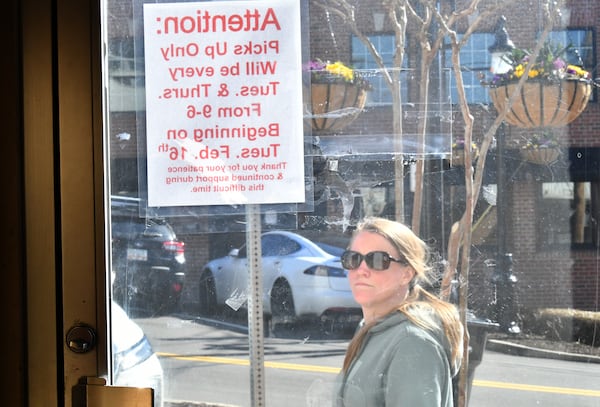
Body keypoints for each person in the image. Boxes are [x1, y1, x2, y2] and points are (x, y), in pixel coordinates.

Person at [334, 217, 464, 407]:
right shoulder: (371, 329)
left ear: (407, 274)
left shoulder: (412, 343)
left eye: (377, 260)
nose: (361, 270)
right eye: (353, 258)